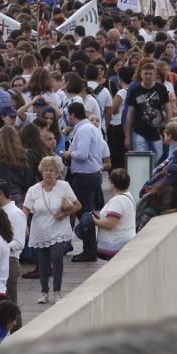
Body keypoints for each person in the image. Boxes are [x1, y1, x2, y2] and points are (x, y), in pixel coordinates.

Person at [22, 156, 79, 304]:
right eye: (46, 170)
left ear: (57, 173)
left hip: (59, 229)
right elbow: (26, 210)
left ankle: (57, 291)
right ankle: (44, 291)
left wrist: (65, 214)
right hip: (40, 230)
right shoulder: (33, 190)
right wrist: (24, 225)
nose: (48, 173)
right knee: (43, 262)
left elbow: (78, 205)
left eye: (52, 170)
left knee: (57, 256)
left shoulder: (64, 186)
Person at [62, 102, 107, 261]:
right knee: (85, 211)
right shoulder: (87, 128)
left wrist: (69, 153)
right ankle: (90, 249)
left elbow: (82, 154)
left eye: (68, 115)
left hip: (85, 175)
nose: (68, 118)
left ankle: (89, 251)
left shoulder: (84, 130)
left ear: (73, 115)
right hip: (90, 174)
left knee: (84, 212)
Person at [77, 168, 137, 260]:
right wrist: (99, 218)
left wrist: (93, 220)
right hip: (125, 241)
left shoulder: (118, 201)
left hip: (116, 245)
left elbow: (109, 224)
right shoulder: (128, 196)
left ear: (112, 183)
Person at [0, 180, 26, 310]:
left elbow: (19, 243)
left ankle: (18, 330)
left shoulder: (16, 214)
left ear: (1, 194)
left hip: (10, 262)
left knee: (10, 305)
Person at [124, 61, 173, 158]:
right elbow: (130, 114)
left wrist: (168, 129)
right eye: (145, 73)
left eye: (150, 73)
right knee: (142, 161)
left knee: (158, 161)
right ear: (141, 74)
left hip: (158, 132)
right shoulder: (135, 91)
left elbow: (168, 110)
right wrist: (127, 136)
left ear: (154, 75)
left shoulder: (161, 89)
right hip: (139, 132)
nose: (148, 76)